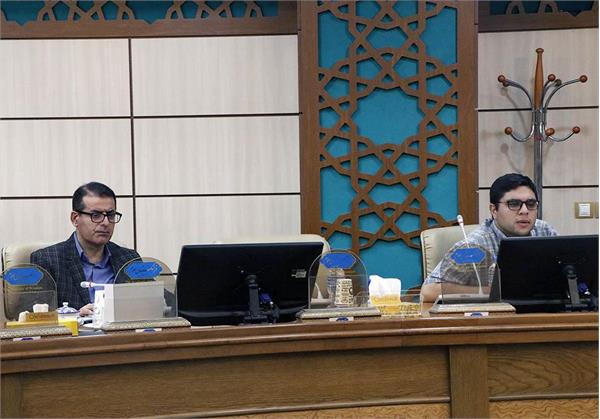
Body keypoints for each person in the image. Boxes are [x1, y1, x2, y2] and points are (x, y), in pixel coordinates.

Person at [420, 173, 558, 303]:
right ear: (494, 210)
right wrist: (493, 291)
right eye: (514, 204)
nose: (524, 211)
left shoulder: (544, 231)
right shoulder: (474, 247)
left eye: (531, 204)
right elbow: (428, 292)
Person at [31, 182, 140, 315]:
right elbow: (35, 313)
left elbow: (153, 303)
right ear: (75, 219)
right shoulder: (47, 260)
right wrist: (75, 316)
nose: (106, 223)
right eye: (96, 215)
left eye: (110, 215)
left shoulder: (128, 259)